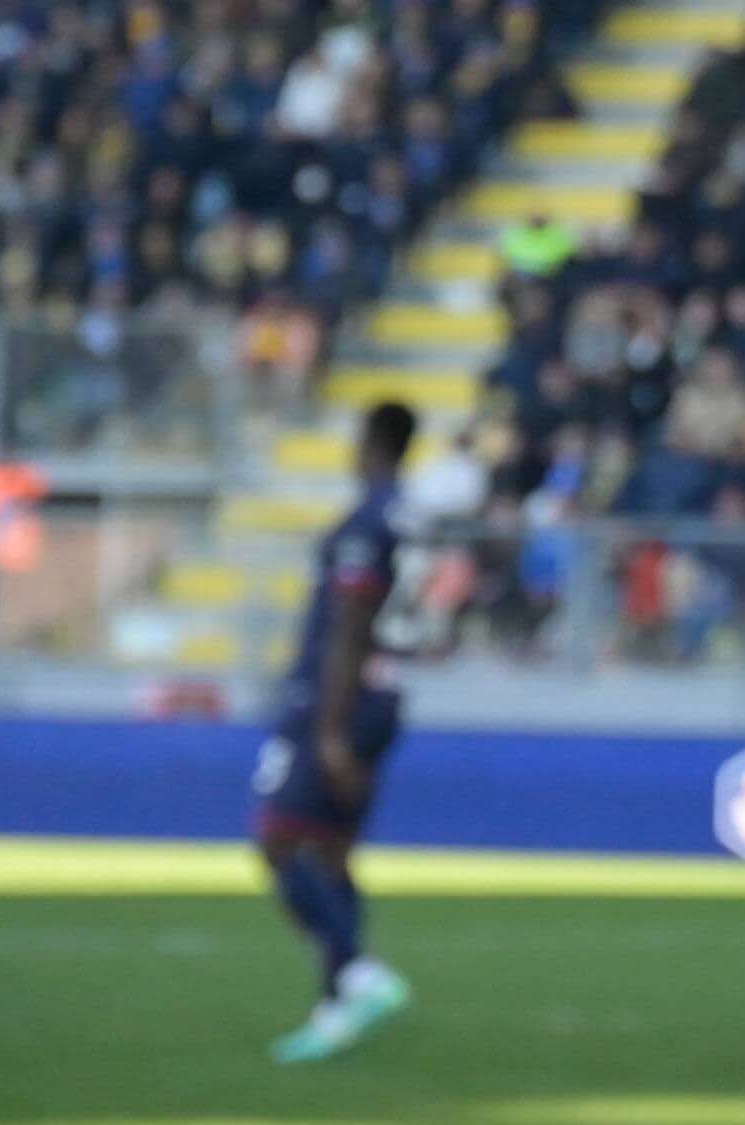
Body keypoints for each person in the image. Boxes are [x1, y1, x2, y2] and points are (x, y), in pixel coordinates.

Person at [259, 400, 421, 1064]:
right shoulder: (410, 517)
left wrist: (328, 727)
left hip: (337, 697)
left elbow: (350, 621)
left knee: (279, 837)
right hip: (387, 693)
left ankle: (357, 973)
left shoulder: (367, 521)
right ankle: (335, 1009)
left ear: (370, 441)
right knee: (331, 852)